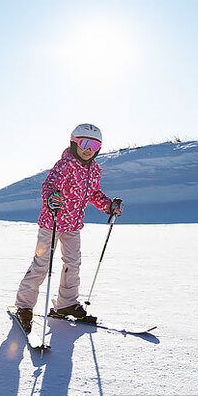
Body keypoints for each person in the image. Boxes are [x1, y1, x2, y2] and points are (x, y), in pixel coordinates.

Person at [15, 123, 124, 332]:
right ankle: (24, 306)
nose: (88, 149)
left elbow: (93, 194)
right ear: (74, 143)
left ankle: (66, 304)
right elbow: (49, 186)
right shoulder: (65, 165)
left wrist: (109, 206)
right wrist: (52, 198)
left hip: (73, 225)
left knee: (73, 264)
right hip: (52, 223)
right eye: (84, 143)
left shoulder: (94, 170)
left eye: (94, 145)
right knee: (42, 264)